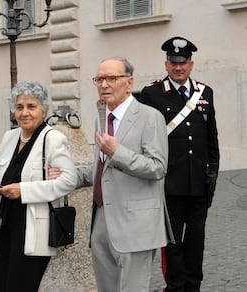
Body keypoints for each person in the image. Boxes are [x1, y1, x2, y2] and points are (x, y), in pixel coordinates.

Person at [68, 57, 170, 292]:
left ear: (129, 82)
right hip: (102, 223)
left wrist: (117, 152)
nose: (104, 84)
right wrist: (64, 176)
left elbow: (157, 168)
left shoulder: (149, 117)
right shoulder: (101, 118)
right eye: (99, 79)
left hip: (136, 226)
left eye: (112, 78)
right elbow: (100, 169)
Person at [139, 37, 220, 291]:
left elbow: (211, 136)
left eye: (183, 63)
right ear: (166, 64)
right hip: (168, 183)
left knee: (196, 239)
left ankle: (193, 285)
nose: (178, 68)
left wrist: (213, 171)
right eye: (174, 63)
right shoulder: (152, 94)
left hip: (198, 182)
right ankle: (175, 286)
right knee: (171, 242)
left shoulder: (205, 93)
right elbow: (142, 135)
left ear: (191, 64)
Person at [0, 81, 77, 292]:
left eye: (31, 106)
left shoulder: (53, 139)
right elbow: (2, 173)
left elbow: (69, 181)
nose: (24, 113)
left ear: (43, 110)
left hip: (34, 230)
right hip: (6, 227)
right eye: (19, 107)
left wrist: (24, 191)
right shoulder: (10, 137)